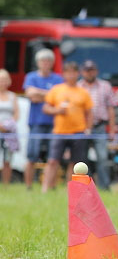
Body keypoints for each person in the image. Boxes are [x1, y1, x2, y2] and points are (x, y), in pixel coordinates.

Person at [42, 62, 93, 192]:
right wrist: (57, 111)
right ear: (64, 74)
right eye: (68, 72)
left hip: (78, 131)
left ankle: (70, 190)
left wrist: (88, 128)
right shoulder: (56, 90)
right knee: (53, 161)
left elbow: (89, 112)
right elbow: (46, 108)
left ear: (78, 74)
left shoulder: (83, 92)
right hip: (59, 131)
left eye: (73, 72)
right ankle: (46, 188)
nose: (71, 75)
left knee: (74, 163)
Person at [23, 48, 63, 189]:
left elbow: (59, 97)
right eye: (42, 61)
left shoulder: (58, 78)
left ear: (52, 63)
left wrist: (40, 94)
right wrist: (50, 95)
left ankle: (50, 186)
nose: (45, 63)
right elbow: (30, 94)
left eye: (48, 61)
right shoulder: (31, 77)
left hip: (54, 123)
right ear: (38, 62)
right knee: (32, 156)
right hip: (36, 122)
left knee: (53, 157)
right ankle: (28, 186)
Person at [78, 60, 116, 188]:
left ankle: (104, 187)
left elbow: (111, 108)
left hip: (100, 126)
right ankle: (85, 187)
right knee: (82, 160)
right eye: (87, 70)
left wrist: (112, 129)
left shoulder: (105, 86)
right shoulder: (78, 86)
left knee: (103, 158)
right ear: (82, 72)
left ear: (96, 71)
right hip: (82, 128)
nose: (90, 73)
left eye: (92, 70)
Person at [0, 69, 20, 184]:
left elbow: (16, 114)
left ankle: (6, 184)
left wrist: (7, 125)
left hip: (9, 132)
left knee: (7, 160)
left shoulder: (13, 96)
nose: (2, 83)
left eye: (4, 80)